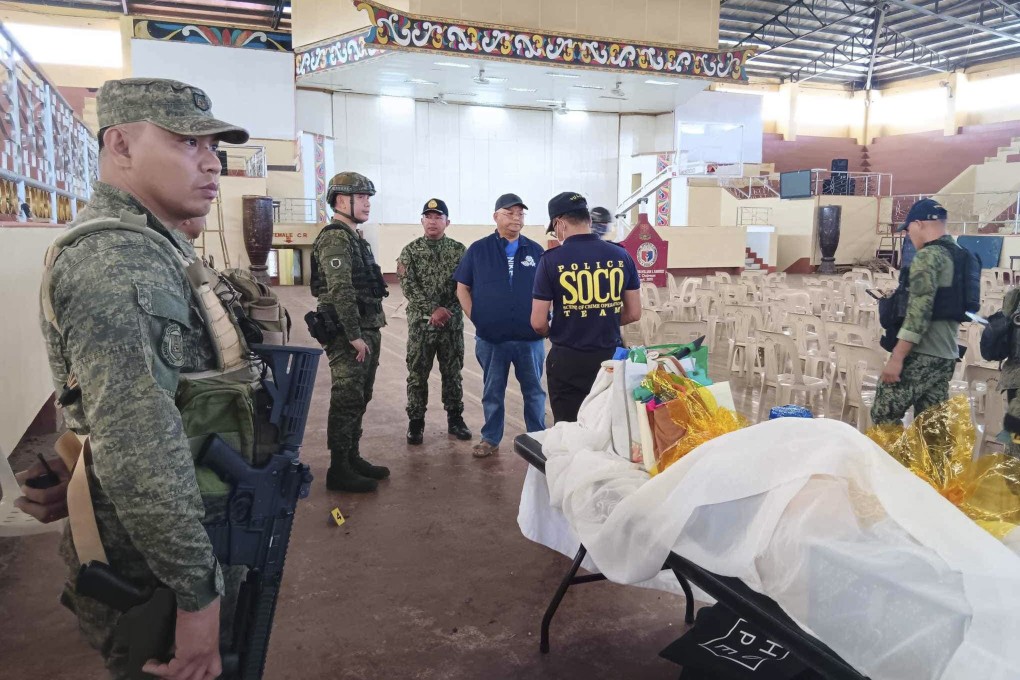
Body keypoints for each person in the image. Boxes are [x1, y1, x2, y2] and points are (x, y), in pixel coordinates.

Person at [19, 77, 250, 680]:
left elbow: (126, 406)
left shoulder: (154, 248)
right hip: (154, 570)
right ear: (120, 145)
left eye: (213, 147)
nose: (211, 163)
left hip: (161, 542)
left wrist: (80, 462)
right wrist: (197, 596)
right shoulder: (118, 262)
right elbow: (140, 447)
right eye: (186, 143)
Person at [310, 171, 390, 492]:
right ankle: (338, 468)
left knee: (360, 396)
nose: (368, 203)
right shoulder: (335, 238)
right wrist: (354, 334)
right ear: (342, 200)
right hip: (349, 334)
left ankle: (352, 456)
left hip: (368, 327)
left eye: (369, 197)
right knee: (346, 397)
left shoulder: (355, 237)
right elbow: (340, 289)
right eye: (363, 197)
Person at [531, 192, 641, 423]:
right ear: (588, 220)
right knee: (609, 428)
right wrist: (599, 318)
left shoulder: (551, 260)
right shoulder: (621, 255)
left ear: (559, 223)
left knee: (569, 431)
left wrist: (563, 326)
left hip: (568, 360)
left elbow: (538, 322)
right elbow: (633, 313)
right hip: (610, 359)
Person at [454, 193, 546, 458]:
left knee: (534, 392)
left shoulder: (535, 250)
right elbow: (462, 288)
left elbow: (549, 291)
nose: (516, 218)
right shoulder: (479, 249)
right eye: (509, 213)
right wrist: (477, 318)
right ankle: (490, 438)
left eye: (520, 213)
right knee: (492, 391)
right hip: (492, 339)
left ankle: (537, 437)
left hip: (529, 339)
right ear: (496, 216)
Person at [872, 199, 960, 427]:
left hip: (922, 352)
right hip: (947, 353)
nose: (908, 235)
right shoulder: (959, 254)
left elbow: (919, 312)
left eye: (909, 228)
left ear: (919, 224)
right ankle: (932, 464)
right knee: (933, 427)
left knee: (884, 414)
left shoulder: (928, 256)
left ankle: (890, 463)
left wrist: (897, 357)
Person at [397, 198, 472, 445]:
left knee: (453, 373)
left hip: (450, 325)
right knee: (417, 375)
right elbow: (408, 286)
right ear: (422, 221)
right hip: (421, 326)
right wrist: (433, 310)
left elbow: (464, 286)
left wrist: (446, 311)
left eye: (438, 217)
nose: (432, 221)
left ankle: (455, 419)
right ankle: (415, 423)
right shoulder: (409, 251)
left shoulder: (460, 251)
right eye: (428, 217)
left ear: (447, 222)